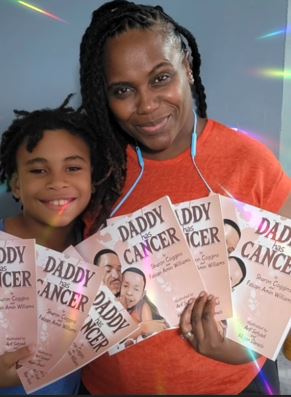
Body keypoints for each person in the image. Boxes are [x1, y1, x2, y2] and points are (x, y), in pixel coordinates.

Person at [79, 0, 291, 394]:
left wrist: (239, 348)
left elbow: (284, 291)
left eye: (161, 78)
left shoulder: (251, 162)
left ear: (188, 68)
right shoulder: (93, 167)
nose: (146, 106)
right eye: (123, 90)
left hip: (232, 386)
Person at [0, 94, 120, 394]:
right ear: (16, 184)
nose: (57, 182)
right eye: (38, 170)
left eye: (73, 168)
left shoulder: (101, 255)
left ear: (93, 180)